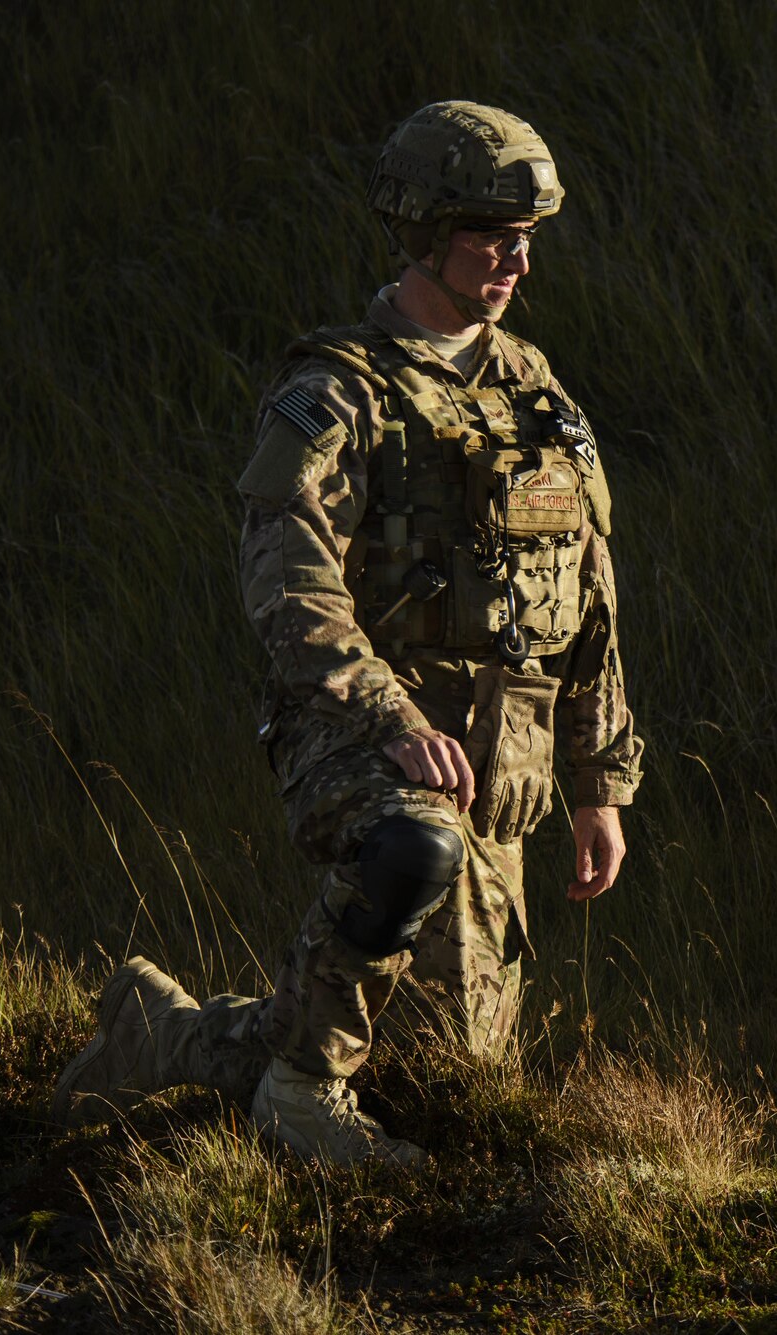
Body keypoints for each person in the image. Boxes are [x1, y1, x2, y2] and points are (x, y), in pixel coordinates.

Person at [52, 101, 643, 1164]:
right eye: (487, 234)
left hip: (499, 761)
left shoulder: (533, 388)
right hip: (361, 739)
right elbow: (287, 585)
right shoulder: (337, 389)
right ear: (421, 230)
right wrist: (388, 715)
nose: (514, 258)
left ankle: (167, 1039)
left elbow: (585, 593)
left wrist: (598, 782)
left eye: (525, 237)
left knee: (437, 1075)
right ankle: (297, 1093)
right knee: (410, 850)